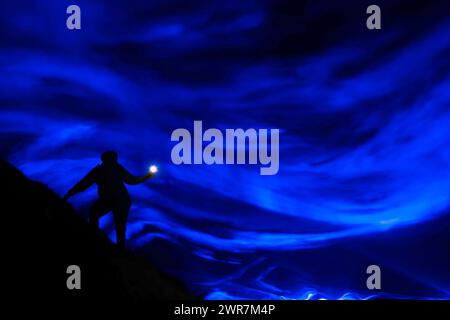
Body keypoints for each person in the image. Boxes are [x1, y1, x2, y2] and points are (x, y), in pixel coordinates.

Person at [63, 150, 154, 250]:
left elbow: (131, 180)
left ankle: (118, 248)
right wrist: (70, 193)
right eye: (111, 159)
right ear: (106, 159)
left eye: (113, 159)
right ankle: (98, 240)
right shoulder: (101, 170)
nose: (113, 161)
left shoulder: (114, 168)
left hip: (121, 200)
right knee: (96, 214)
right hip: (111, 200)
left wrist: (147, 176)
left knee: (118, 223)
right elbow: (84, 183)